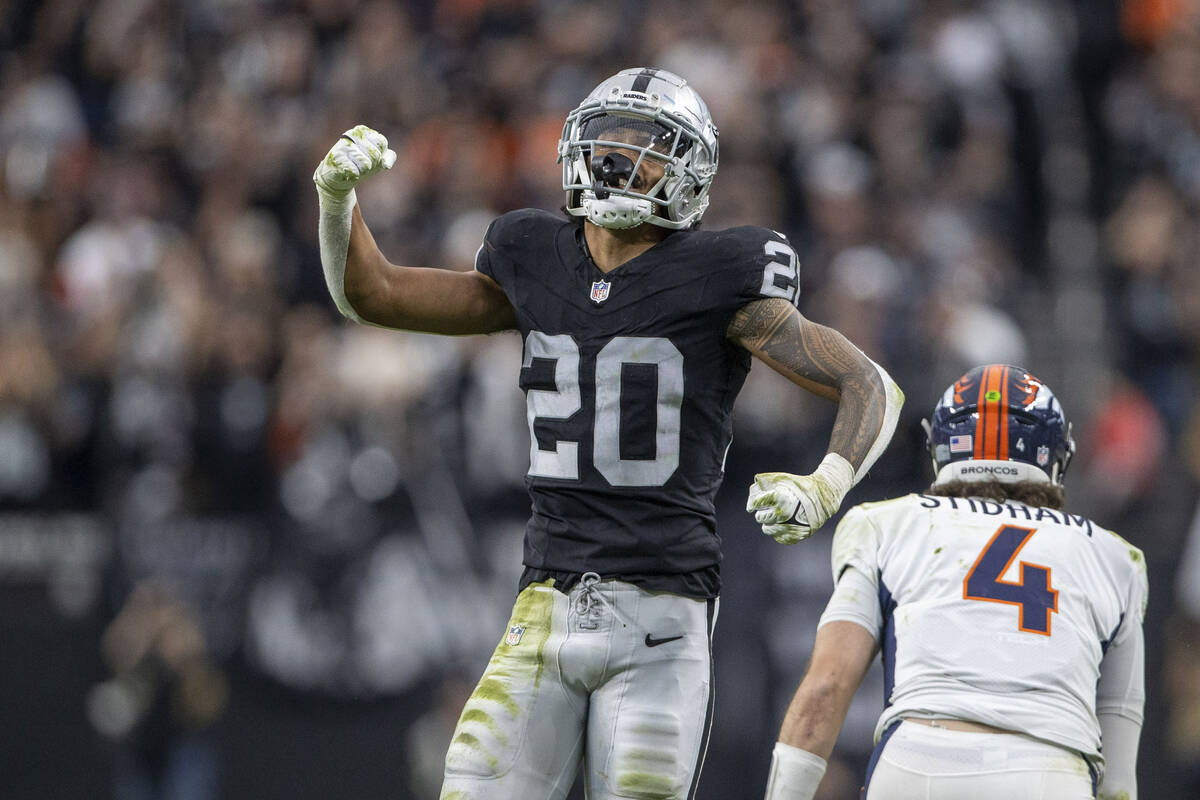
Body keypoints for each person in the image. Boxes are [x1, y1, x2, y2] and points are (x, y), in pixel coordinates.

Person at [313, 67, 904, 800]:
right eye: (609, 140)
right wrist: (337, 200)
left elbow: (868, 382)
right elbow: (376, 295)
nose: (621, 159)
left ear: (691, 171)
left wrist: (827, 483)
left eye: (648, 146)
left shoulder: (721, 271)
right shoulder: (534, 255)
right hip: (544, 606)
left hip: (662, 615)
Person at [764, 364, 1147, 800]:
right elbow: (1118, 778)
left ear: (941, 449)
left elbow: (824, 690)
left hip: (917, 764)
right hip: (1048, 774)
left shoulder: (888, 523)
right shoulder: (1117, 558)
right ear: (1056, 454)